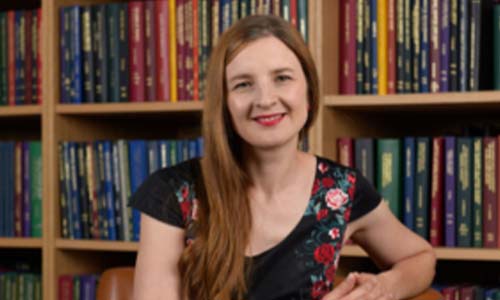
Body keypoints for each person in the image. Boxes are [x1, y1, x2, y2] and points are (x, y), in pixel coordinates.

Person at [131, 14, 436, 300]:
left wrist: (382, 287)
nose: (265, 99)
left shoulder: (341, 190)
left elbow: (420, 258)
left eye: (282, 78)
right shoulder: (172, 192)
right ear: (223, 103)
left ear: (309, 90)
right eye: (243, 84)